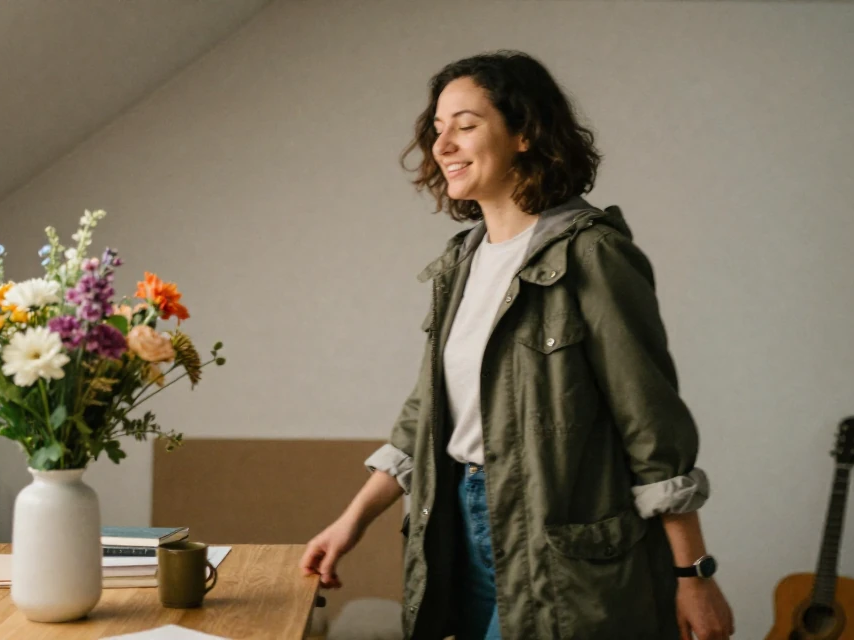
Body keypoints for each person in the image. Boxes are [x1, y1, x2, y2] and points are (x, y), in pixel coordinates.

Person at [300, 50, 734, 640]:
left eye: (466, 124)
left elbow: (653, 430)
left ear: (525, 133)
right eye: (437, 129)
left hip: (559, 544)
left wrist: (694, 574)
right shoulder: (460, 263)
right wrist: (351, 522)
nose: (443, 144)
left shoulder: (592, 254)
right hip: (456, 522)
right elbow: (426, 416)